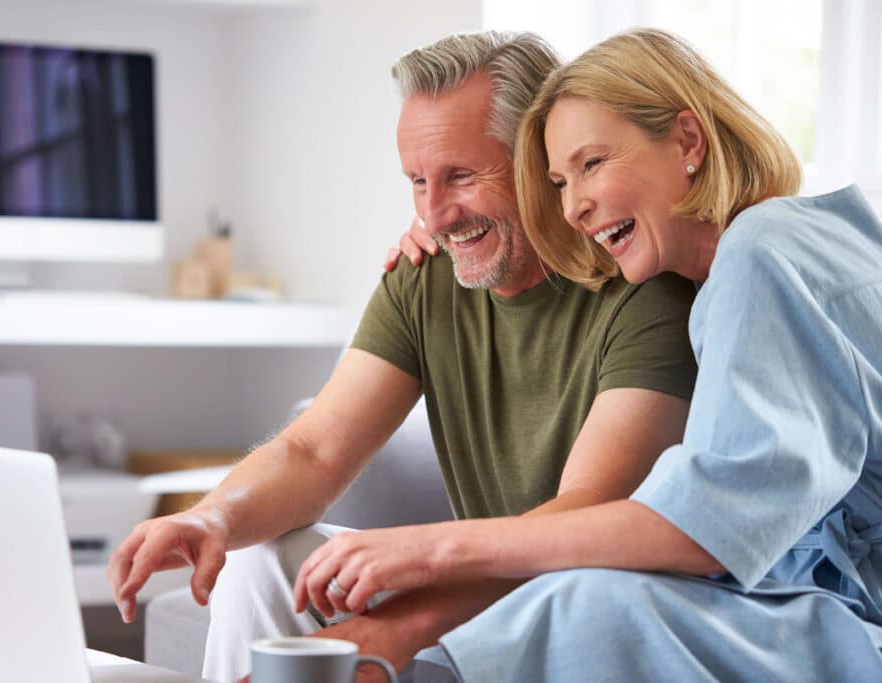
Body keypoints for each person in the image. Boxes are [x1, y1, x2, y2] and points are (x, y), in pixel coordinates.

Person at [108, 31, 699, 682]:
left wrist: (401, 617)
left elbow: (580, 521)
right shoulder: (426, 277)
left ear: (540, 159)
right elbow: (314, 450)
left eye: (461, 176)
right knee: (256, 558)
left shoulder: (643, 288)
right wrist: (210, 516)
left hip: (586, 602)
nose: (436, 213)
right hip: (476, 585)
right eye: (418, 181)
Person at [343, 28, 882, 681]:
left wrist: (436, 550)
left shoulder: (761, 251)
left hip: (853, 629)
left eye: (592, 163)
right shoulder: (767, 260)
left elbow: (701, 529)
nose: (573, 207)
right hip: (815, 613)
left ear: (687, 141)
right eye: (558, 181)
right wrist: (450, 223)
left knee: (587, 604)